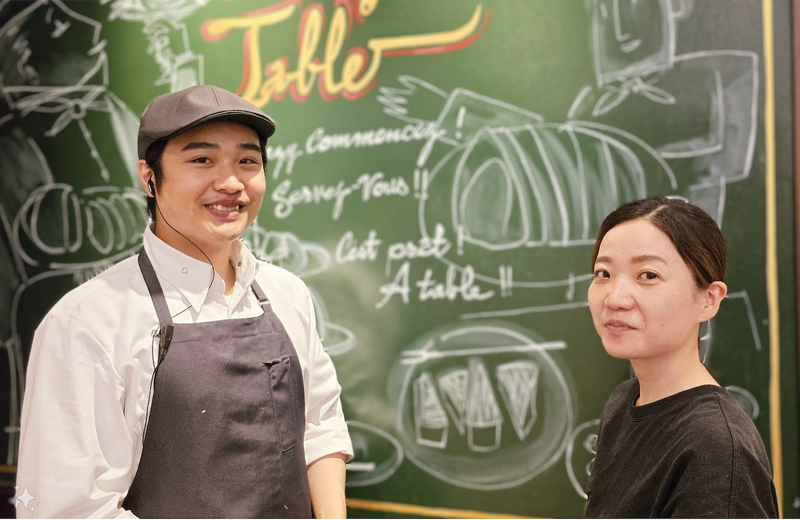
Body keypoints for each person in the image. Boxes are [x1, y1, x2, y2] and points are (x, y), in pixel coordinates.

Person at [16, 84, 354, 518]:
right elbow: (68, 509)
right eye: (202, 160)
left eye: (247, 161)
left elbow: (320, 426)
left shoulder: (287, 293)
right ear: (149, 177)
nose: (231, 183)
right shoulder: (86, 323)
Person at [584, 197, 779, 518]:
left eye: (648, 275)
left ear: (709, 299)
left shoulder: (715, 448)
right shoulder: (624, 401)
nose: (615, 298)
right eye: (603, 273)